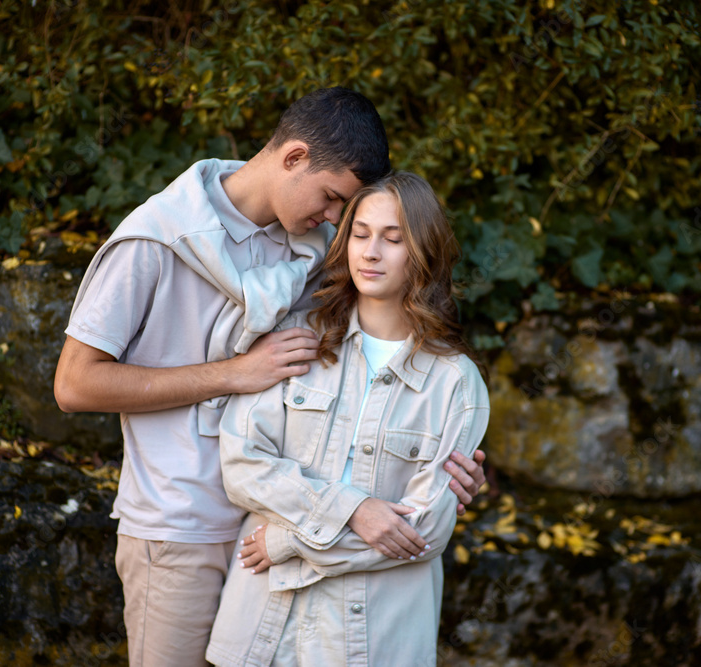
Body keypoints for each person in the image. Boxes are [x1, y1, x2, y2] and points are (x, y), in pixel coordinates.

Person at [53, 88, 487, 666]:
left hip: (276, 531)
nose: (336, 220)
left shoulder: (313, 246)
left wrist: (445, 471)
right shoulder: (155, 240)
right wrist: (234, 374)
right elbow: (74, 385)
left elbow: (354, 386)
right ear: (294, 157)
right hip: (182, 525)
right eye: (332, 199)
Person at [207, 171, 490, 667]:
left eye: (393, 239)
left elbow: (424, 531)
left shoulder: (455, 383)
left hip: (373, 640)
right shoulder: (296, 341)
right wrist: (353, 510)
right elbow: (242, 464)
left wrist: (288, 542)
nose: (371, 252)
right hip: (261, 626)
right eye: (360, 234)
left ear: (423, 251)